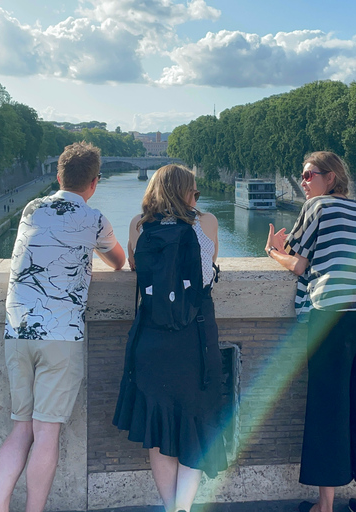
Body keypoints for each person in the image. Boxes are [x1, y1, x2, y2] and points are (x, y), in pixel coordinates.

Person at [0, 141, 126, 512]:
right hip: (61, 335)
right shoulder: (94, 218)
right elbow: (118, 261)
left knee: (21, 428)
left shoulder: (31, 209)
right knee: (46, 433)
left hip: (18, 330)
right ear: (95, 182)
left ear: (58, 175)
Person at [265, 151, 356, 512]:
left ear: (330, 178)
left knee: (328, 406)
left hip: (332, 315)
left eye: (309, 175)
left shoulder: (317, 207)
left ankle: (326, 505)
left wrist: (273, 251)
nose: (303, 182)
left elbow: (299, 264)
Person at [113, 164, 227, 512]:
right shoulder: (206, 224)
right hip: (196, 337)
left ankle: (169, 507)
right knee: (196, 420)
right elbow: (210, 269)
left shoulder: (137, 225)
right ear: (189, 192)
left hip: (152, 337)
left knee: (158, 426)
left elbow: (135, 266)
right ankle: (183, 509)